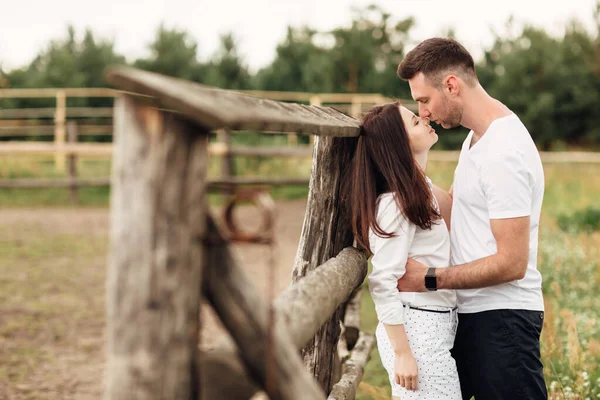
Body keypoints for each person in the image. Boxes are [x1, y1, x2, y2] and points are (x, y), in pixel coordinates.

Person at [395, 37, 547, 400]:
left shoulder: (502, 151)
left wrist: (429, 279)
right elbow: (457, 209)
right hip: (479, 316)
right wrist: (401, 179)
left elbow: (512, 263)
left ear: (452, 85)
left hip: (503, 320)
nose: (424, 111)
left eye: (424, 100)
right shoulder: (478, 139)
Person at [347, 101, 460, 400]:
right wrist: (402, 353)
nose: (424, 118)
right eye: (413, 122)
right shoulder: (397, 203)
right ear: (399, 143)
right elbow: (383, 281)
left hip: (434, 323)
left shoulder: (420, 189)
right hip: (416, 331)